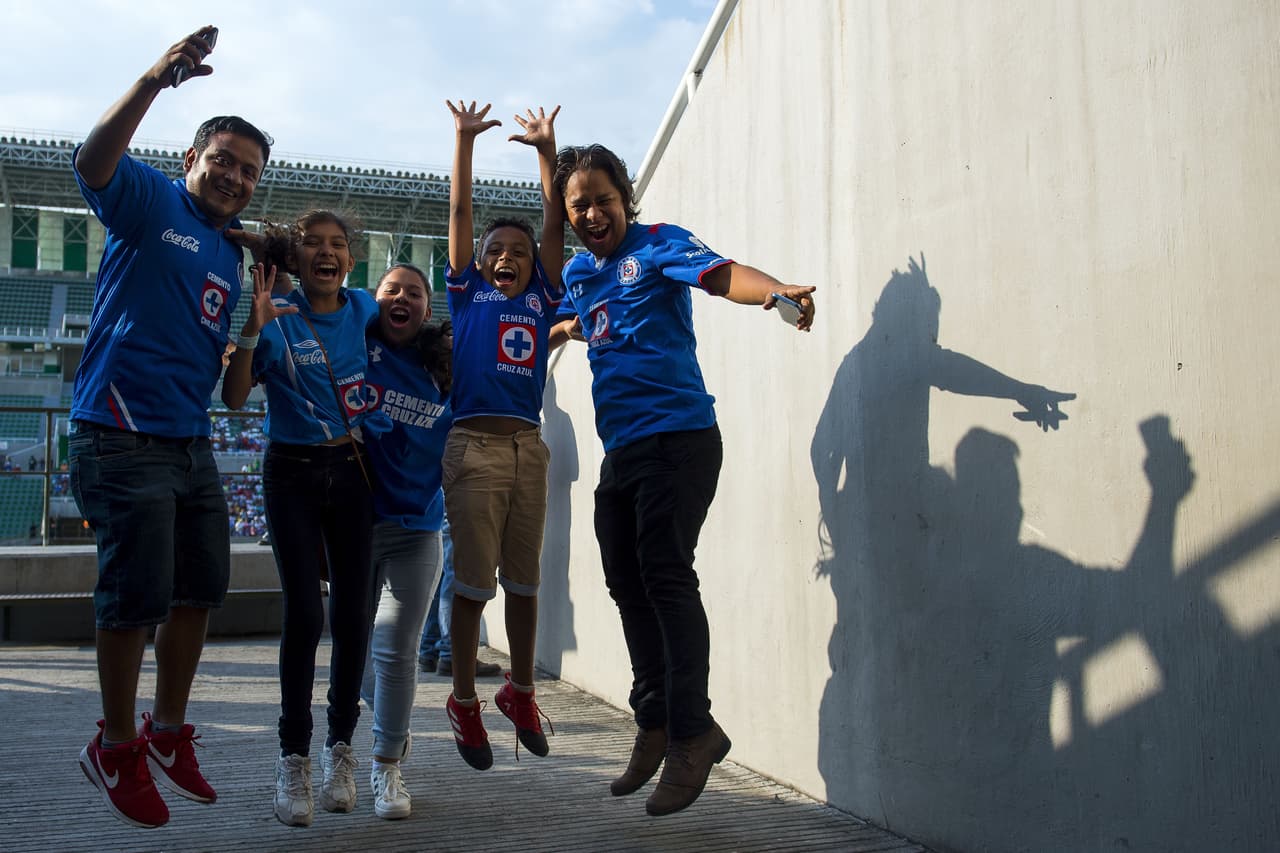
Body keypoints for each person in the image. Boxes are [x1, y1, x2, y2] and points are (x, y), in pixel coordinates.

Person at [549, 142, 817, 817]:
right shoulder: (582, 273)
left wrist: (774, 291)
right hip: (624, 452)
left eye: (602, 200)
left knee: (665, 571)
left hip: (681, 439)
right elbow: (594, 317)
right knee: (624, 579)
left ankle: (694, 730)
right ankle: (657, 719)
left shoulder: (658, 243)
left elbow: (722, 275)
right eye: (578, 204)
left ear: (624, 198)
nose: (591, 213)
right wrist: (567, 330)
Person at [68, 26, 271, 829]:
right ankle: (113, 744)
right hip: (119, 435)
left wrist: (253, 327)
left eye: (249, 171)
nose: (234, 177)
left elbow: (234, 398)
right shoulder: (151, 200)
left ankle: (165, 730)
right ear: (191, 159)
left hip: (189, 443)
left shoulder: (231, 254)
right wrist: (156, 77)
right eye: (222, 159)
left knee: (199, 592)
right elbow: (91, 164)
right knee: (134, 599)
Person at [221, 210, 381, 827]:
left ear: (351, 259)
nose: (326, 252)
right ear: (294, 257)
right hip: (289, 471)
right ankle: (293, 758)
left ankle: (341, 750)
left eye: (337, 244)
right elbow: (234, 397)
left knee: (350, 614)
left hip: (354, 472)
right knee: (305, 613)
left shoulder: (367, 308)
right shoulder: (276, 317)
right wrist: (253, 330)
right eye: (312, 243)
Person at [441, 101, 565, 771]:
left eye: (519, 252)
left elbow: (553, 221)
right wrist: (464, 141)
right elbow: (461, 215)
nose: (509, 257)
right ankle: (464, 698)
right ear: (479, 262)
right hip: (474, 448)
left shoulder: (541, 299)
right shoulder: (466, 293)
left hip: (527, 449)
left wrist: (548, 153)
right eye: (498, 251)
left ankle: (519, 689)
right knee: (472, 586)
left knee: (524, 581)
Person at [356, 262, 454, 819]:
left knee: (396, 651)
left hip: (417, 528)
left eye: (414, 292)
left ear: (425, 308)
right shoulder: (355, 340)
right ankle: (387, 728)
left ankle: (386, 765)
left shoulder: (444, 363)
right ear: (374, 301)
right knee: (358, 655)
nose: (402, 297)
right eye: (391, 289)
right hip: (351, 526)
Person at [417, 517, 503, 678]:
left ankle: (429, 651)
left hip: (441, 501)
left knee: (443, 573)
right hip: (456, 501)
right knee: (455, 574)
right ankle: (452, 654)